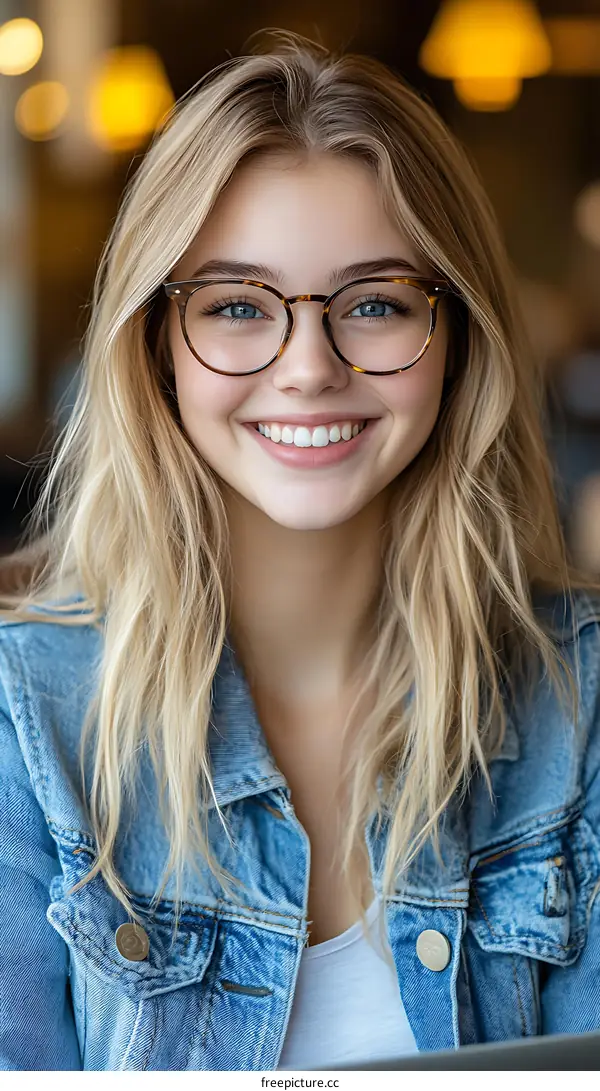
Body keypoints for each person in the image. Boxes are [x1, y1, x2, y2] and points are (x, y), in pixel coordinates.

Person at [1, 29, 600, 1073]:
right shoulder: (23, 723)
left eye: (375, 303)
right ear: (157, 350)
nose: (308, 366)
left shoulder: (580, 697)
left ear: (456, 340)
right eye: (237, 306)